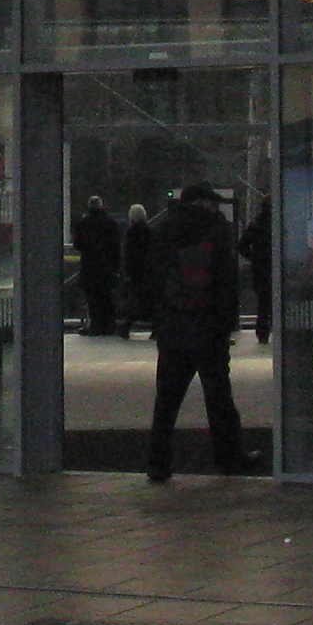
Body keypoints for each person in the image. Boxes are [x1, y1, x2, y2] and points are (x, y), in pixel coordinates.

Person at [142, 181, 246, 481]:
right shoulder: (216, 229)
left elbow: (152, 278)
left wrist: (160, 319)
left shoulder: (164, 229)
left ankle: (158, 462)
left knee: (167, 400)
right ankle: (229, 458)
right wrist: (226, 322)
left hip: (174, 326)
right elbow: (226, 279)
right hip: (208, 326)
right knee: (218, 397)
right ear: (203, 202)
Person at [72, 196, 124, 339]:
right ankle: (109, 325)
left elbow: (78, 244)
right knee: (107, 297)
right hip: (107, 266)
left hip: (90, 266)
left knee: (93, 298)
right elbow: (116, 246)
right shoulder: (110, 224)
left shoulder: (84, 224)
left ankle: (96, 325)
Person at [238, 197, 273, 345]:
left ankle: (263, 333)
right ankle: (273, 332)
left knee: (264, 303)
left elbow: (242, 246)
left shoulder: (257, 224)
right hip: (271, 267)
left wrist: (255, 258)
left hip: (261, 269)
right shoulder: (282, 222)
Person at [118, 202, 154, 341]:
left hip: (135, 271)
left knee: (134, 301)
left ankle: (126, 326)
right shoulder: (149, 231)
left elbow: (129, 253)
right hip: (148, 271)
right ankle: (155, 327)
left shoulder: (131, 232)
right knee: (148, 300)